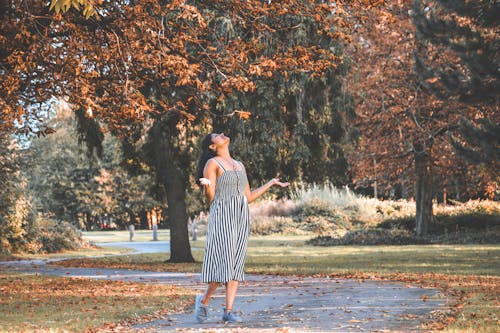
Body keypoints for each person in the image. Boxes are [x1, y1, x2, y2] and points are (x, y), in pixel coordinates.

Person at [194, 132, 289, 324]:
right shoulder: (212, 164)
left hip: (240, 216)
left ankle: (228, 311)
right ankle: (203, 301)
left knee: (236, 264)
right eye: (216, 136)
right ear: (212, 146)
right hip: (222, 216)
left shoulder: (239, 165)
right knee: (224, 264)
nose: (221, 134)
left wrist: (270, 183)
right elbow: (212, 199)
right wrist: (207, 187)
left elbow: (248, 197)